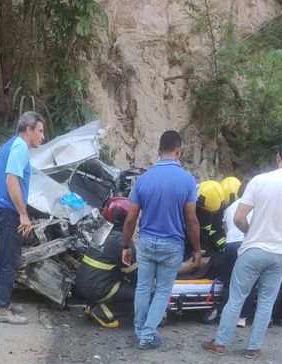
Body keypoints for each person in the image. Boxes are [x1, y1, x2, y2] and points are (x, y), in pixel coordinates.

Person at [202, 138, 282, 359]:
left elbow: (239, 217)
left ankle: (220, 343)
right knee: (266, 301)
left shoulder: (260, 181)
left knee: (237, 297)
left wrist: (250, 232)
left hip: (254, 248)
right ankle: (253, 348)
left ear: (278, 157)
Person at [122, 130, 201, 350]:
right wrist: (197, 249)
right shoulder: (187, 180)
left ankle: (139, 332)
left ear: (159, 151)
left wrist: (126, 245)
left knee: (143, 288)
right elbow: (191, 220)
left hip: (146, 242)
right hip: (172, 245)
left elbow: (130, 219)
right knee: (162, 291)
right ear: (178, 151)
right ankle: (147, 337)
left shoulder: (144, 179)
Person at [0, 110, 45, 325]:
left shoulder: (9, 145)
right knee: (9, 261)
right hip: (8, 212)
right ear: (29, 130)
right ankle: (2, 310)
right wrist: (23, 214)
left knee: (3, 259)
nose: (42, 136)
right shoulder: (20, 147)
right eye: (40, 131)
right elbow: (11, 180)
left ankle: (3, 302)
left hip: (0, 209)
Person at [75, 197, 137, 328]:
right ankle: (104, 312)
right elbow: (135, 276)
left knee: (111, 274)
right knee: (141, 294)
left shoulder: (102, 230)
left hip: (83, 283)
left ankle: (92, 306)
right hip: (97, 287)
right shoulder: (122, 241)